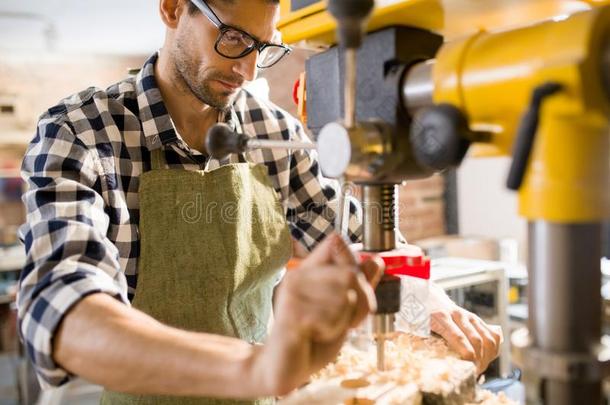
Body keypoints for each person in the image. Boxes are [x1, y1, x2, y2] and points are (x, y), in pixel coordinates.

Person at [17, 0, 502, 403]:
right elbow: (65, 310)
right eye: (232, 39)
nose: (246, 69)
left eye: (264, 48)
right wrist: (257, 367)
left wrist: (429, 306)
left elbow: (353, 234)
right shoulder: (79, 132)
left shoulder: (273, 132)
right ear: (171, 8)